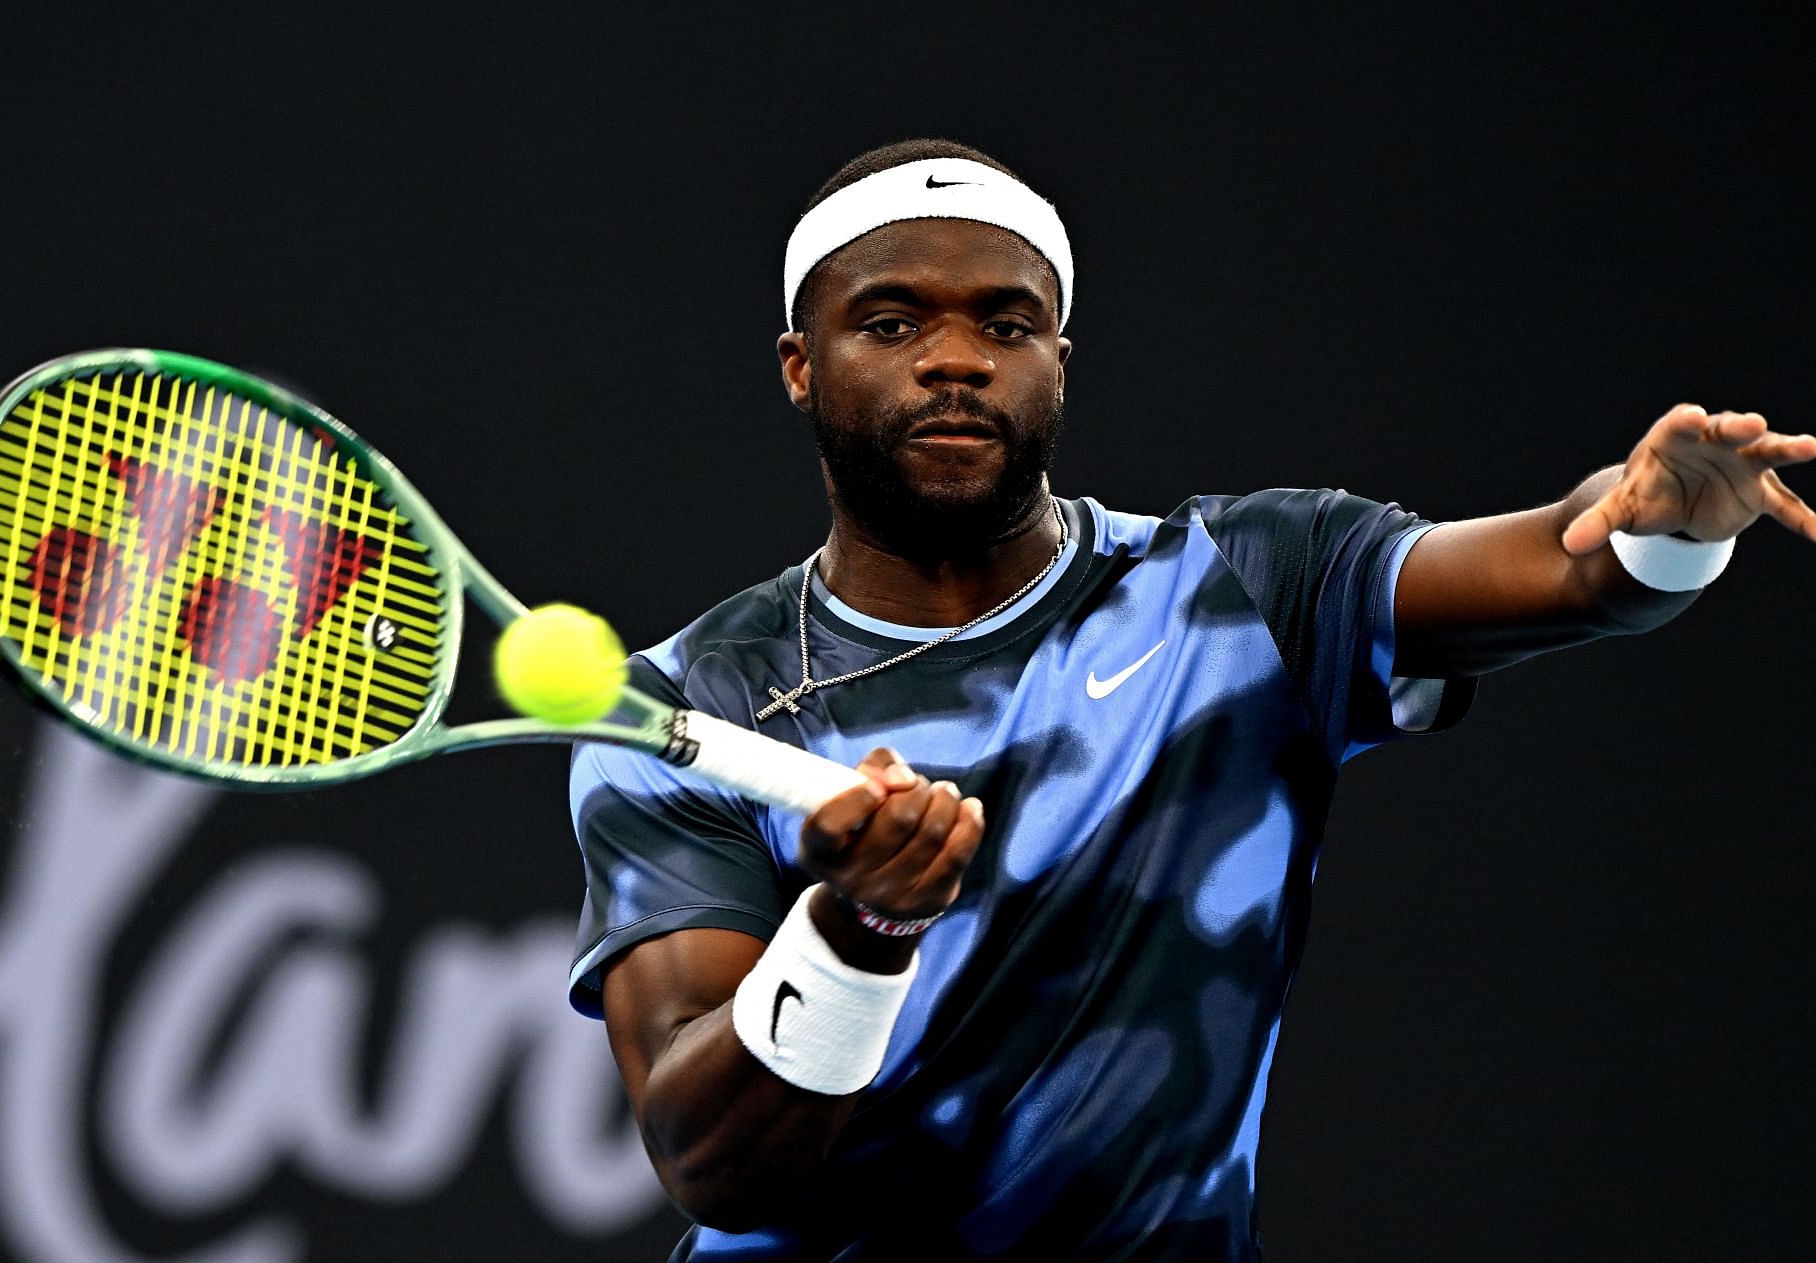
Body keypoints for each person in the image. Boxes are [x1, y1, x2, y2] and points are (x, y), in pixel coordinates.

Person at [566, 139, 1814, 1261]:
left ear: (1059, 358)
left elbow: (1567, 562)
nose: (955, 359)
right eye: (890, 325)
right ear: (800, 365)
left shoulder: (1248, 588)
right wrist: (860, 932)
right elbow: (713, 1167)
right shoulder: (686, 702)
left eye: (1006, 325)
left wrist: (1669, 531)